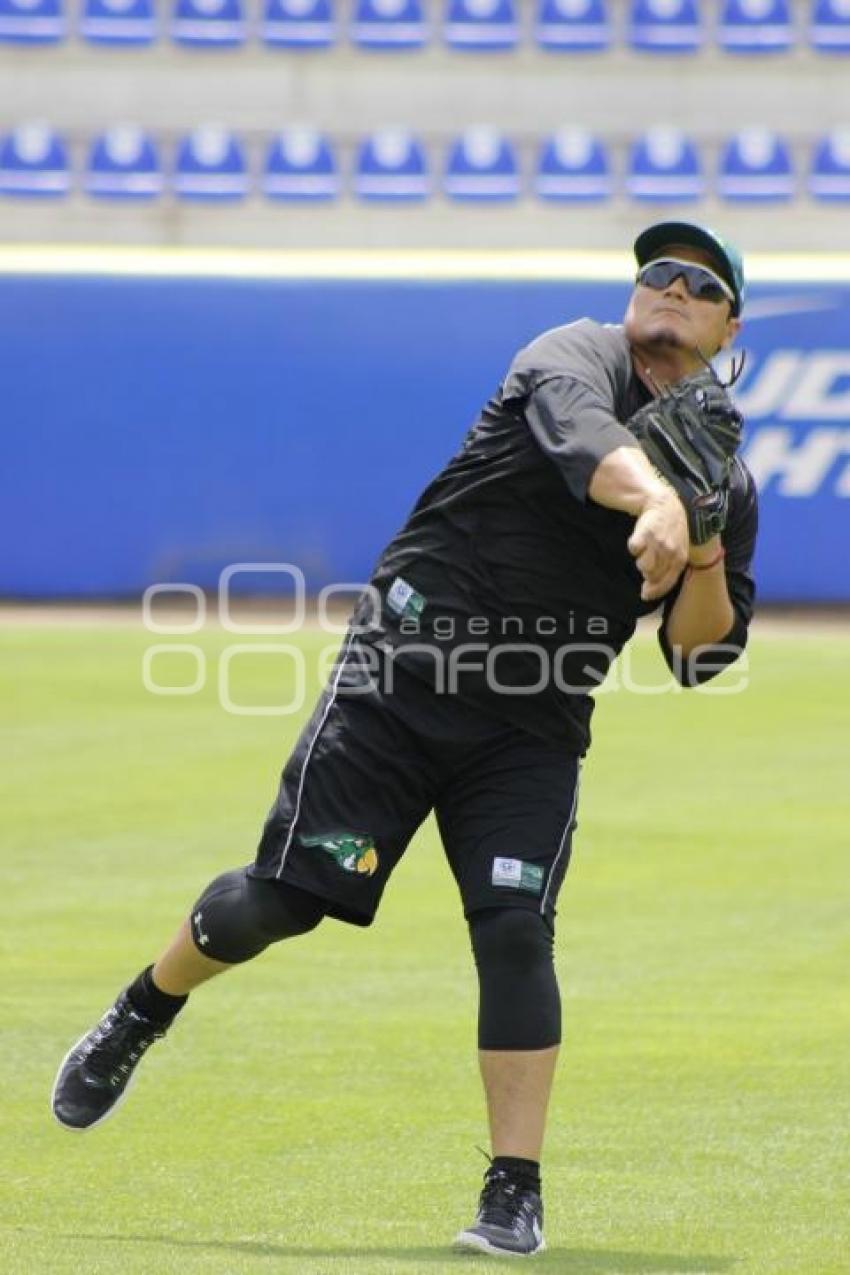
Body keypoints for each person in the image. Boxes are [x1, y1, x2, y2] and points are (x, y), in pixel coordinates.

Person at [52, 220, 757, 1260]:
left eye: (698, 284)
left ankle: (512, 1189)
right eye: (656, 271)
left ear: (728, 323)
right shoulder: (569, 355)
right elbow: (584, 440)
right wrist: (653, 497)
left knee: (516, 928)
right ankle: (143, 1008)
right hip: (403, 678)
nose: (669, 289)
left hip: (535, 720)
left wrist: (698, 548)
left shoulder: (721, 478)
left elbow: (699, 657)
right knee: (280, 901)